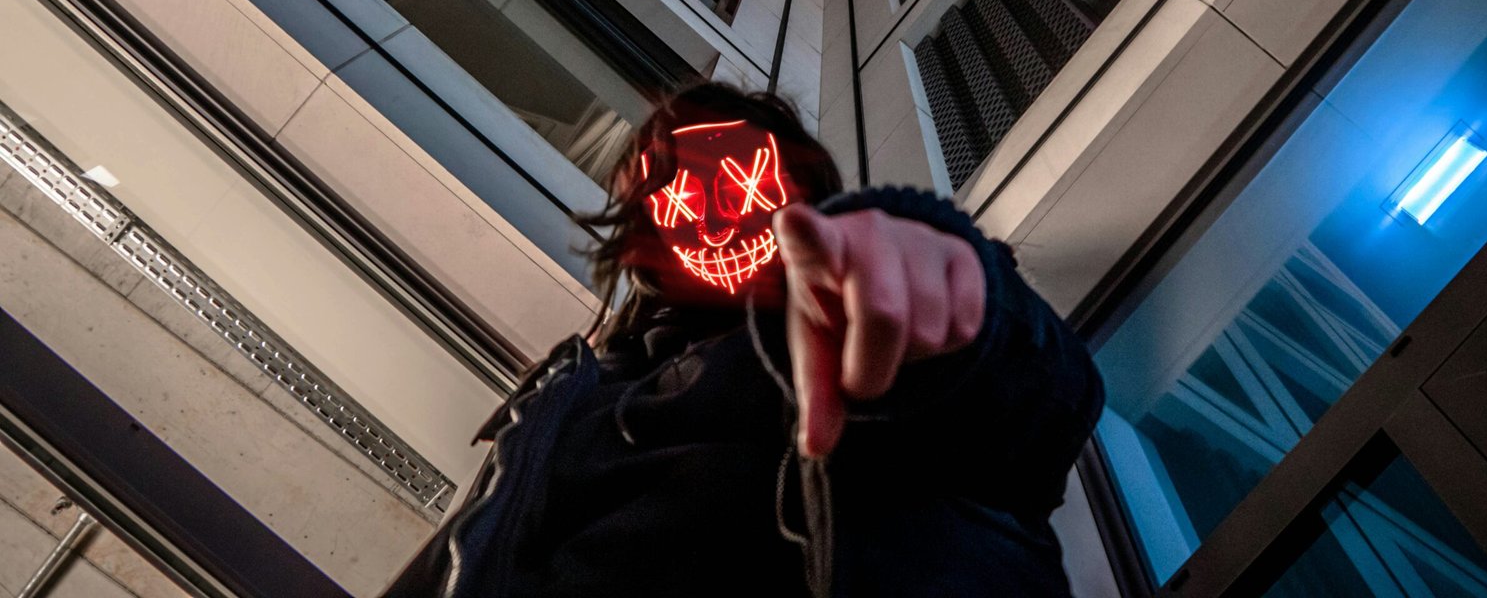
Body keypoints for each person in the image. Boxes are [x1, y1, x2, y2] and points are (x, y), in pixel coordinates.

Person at [381, 83, 1104, 598]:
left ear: (800, 190)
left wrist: (960, 306)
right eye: (679, 199)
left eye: (739, 186)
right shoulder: (582, 389)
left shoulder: (844, 347)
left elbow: (1032, 417)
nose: (717, 225)